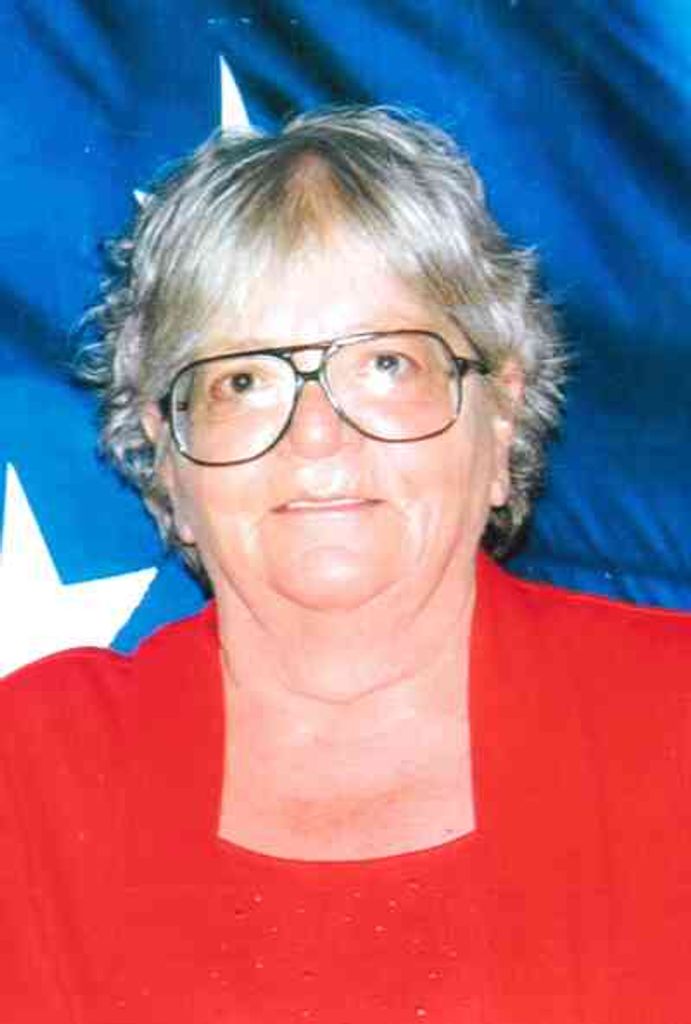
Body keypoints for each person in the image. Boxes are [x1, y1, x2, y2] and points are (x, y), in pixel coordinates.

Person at [1, 106, 689, 1024]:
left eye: (386, 364)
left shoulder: (673, 716)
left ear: (500, 419)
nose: (317, 437)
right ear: (165, 455)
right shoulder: (33, 776)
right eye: (242, 381)